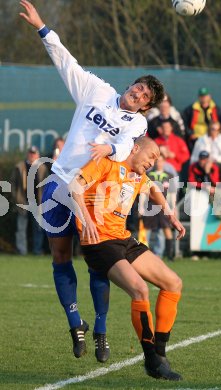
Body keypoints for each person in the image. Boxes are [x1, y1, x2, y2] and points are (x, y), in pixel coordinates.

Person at [19, 0, 165, 363]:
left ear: (145, 107)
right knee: (59, 256)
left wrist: (110, 147)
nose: (139, 93)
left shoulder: (137, 124)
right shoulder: (95, 90)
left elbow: (125, 149)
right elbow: (65, 61)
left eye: (146, 96)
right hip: (59, 184)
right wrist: (42, 27)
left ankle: (101, 328)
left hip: (94, 195)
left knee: (98, 262)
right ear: (131, 84)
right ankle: (76, 322)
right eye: (140, 87)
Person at [70, 137, 186, 380]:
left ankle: (160, 354)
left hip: (122, 238)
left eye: (156, 160)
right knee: (140, 290)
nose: (152, 163)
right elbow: (74, 187)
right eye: (151, 157)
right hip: (99, 242)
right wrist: (87, 219)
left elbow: (153, 188)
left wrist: (171, 216)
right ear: (134, 148)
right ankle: (152, 360)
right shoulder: (106, 163)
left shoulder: (136, 174)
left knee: (173, 283)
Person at [139, 154, 178, 260]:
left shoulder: (168, 175)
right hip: (150, 206)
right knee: (146, 229)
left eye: (161, 161)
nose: (159, 163)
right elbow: (143, 191)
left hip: (163, 206)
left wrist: (172, 208)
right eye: (157, 161)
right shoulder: (148, 174)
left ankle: (167, 254)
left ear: (164, 162)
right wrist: (141, 207)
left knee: (165, 229)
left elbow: (172, 193)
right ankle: (143, 253)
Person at [10, 146, 49, 255]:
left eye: (34, 153)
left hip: (38, 202)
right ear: (28, 154)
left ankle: (38, 250)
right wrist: (16, 198)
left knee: (38, 229)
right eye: (30, 153)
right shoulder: (20, 167)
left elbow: (47, 186)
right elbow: (13, 184)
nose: (32, 155)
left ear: (38, 155)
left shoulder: (42, 168)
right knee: (21, 228)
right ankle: (21, 250)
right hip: (23, 201)